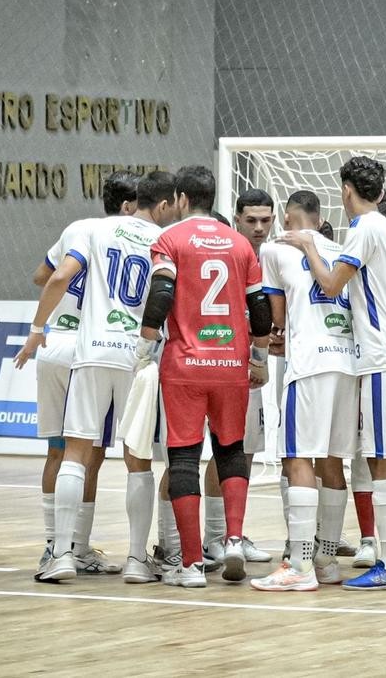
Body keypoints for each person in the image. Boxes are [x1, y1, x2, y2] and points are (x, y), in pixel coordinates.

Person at [15, 171, 176, 583]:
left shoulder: (94, 229)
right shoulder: (164, 239)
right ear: (160, 205)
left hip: (92, 350)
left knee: (75, 452)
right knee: (137, 460)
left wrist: (36, 330)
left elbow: (56, 276)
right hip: (138, 357)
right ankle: (138, 560)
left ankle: (63, 554)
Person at [282, 156, 386, 591]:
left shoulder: (365, 229)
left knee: (384, 462)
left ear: (346, 190)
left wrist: (308, 245)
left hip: (385, 358)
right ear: (380, 192)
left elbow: (329, 285)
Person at [137, 165, 272, 588]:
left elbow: (161, 294)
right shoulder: (239, 245)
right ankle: (232, 539)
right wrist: (259, 357)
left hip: (185, 366)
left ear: (179, 198)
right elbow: (262, 308)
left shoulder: (170, 239)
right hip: (231, 365)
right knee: (232, 452)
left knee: (183, 459)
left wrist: (144, 347)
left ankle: (192, 565)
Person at [29, 170, 139, 574]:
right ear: (130, 207)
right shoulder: (129, 237)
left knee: (58, 451)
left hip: (55, 341)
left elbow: (43, 276)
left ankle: (51, 546)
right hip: (91, 346)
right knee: (88, 453)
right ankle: (75, 546)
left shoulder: (77, 228)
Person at [250, 190, 356, 591]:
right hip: (348, 362)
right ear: (319, 216)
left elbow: (275, 316)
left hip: (309, 364)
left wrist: (275, 336)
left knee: (297, 458)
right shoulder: (342, 249)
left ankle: (299, 564)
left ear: (288, 220)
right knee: (333, 462)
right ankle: (327, 561)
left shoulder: (276, 249)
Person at [201, 190, 275, 568]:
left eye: (266, 220)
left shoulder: (273, 257)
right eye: (251, 220)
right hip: (211, 363)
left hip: (248, 368)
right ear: (236, 218)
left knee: (242, 452)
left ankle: (232, 533)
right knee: (215, 451)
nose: (259, 228)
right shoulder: (224, 253)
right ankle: (212, 537)